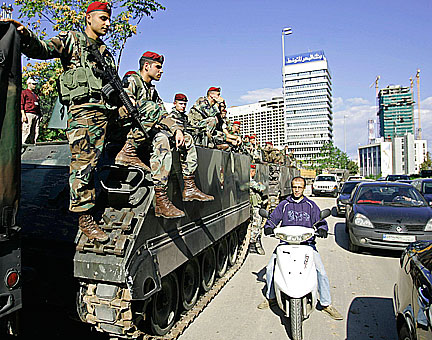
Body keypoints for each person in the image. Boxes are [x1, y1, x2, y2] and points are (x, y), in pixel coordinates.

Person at [6, 1, 120, 242]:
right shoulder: (73, 40)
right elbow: (44, 49)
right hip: (83, 114)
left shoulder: (105, 53)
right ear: (88, 18)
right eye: (103, 18)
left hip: (105, 114)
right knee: (84, 164)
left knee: (100, 161)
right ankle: (84, 217)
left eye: (109, 19)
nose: (108, 24)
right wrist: (26, 36)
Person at [120, 53, 214, 219]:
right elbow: (126, 105)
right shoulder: (132, 80)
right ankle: (129, 152)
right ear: (146, 66)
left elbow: (164, 114)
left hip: (143, 131)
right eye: (158, 67)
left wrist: (177, 130)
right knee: (155, 121)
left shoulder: (152, 91)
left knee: (186, 138)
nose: (161, 71)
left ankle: (189, 187)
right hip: (124, 131)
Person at [257, 176, 343, 321]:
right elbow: (272, 219)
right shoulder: (284, 204)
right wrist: (268, 227)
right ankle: (271, 298)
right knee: (271, 268)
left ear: (304, 188)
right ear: (292, 188)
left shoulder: (310, 205)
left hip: (307, 244)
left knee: (320, 271)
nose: (297, 190)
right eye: (294, 187)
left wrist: (322, 228)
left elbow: (319, 220)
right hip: (285, 244)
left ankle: (326, 303)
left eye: (300, 187)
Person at [249, 164, 266, 255]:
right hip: (254, 207)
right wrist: (260, 185)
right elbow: (262, 188)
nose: (254, 173)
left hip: (255, 205)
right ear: (251, 172)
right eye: (253, 171)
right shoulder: (251, 182)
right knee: (256, 224)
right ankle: (252, 243)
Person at [21, 77, 41, 144]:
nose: (34, 85)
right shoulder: (24, 92)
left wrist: (39, 115)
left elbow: (38, 106)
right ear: (28, 84)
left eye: (35, 84)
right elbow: (22, 104)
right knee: (27, 130)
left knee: (35, 130)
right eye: (33, 84)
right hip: (28, 113)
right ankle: (23, 143)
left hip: (36, 114)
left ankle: (34, 143)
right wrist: (23, 115)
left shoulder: (35, 95)